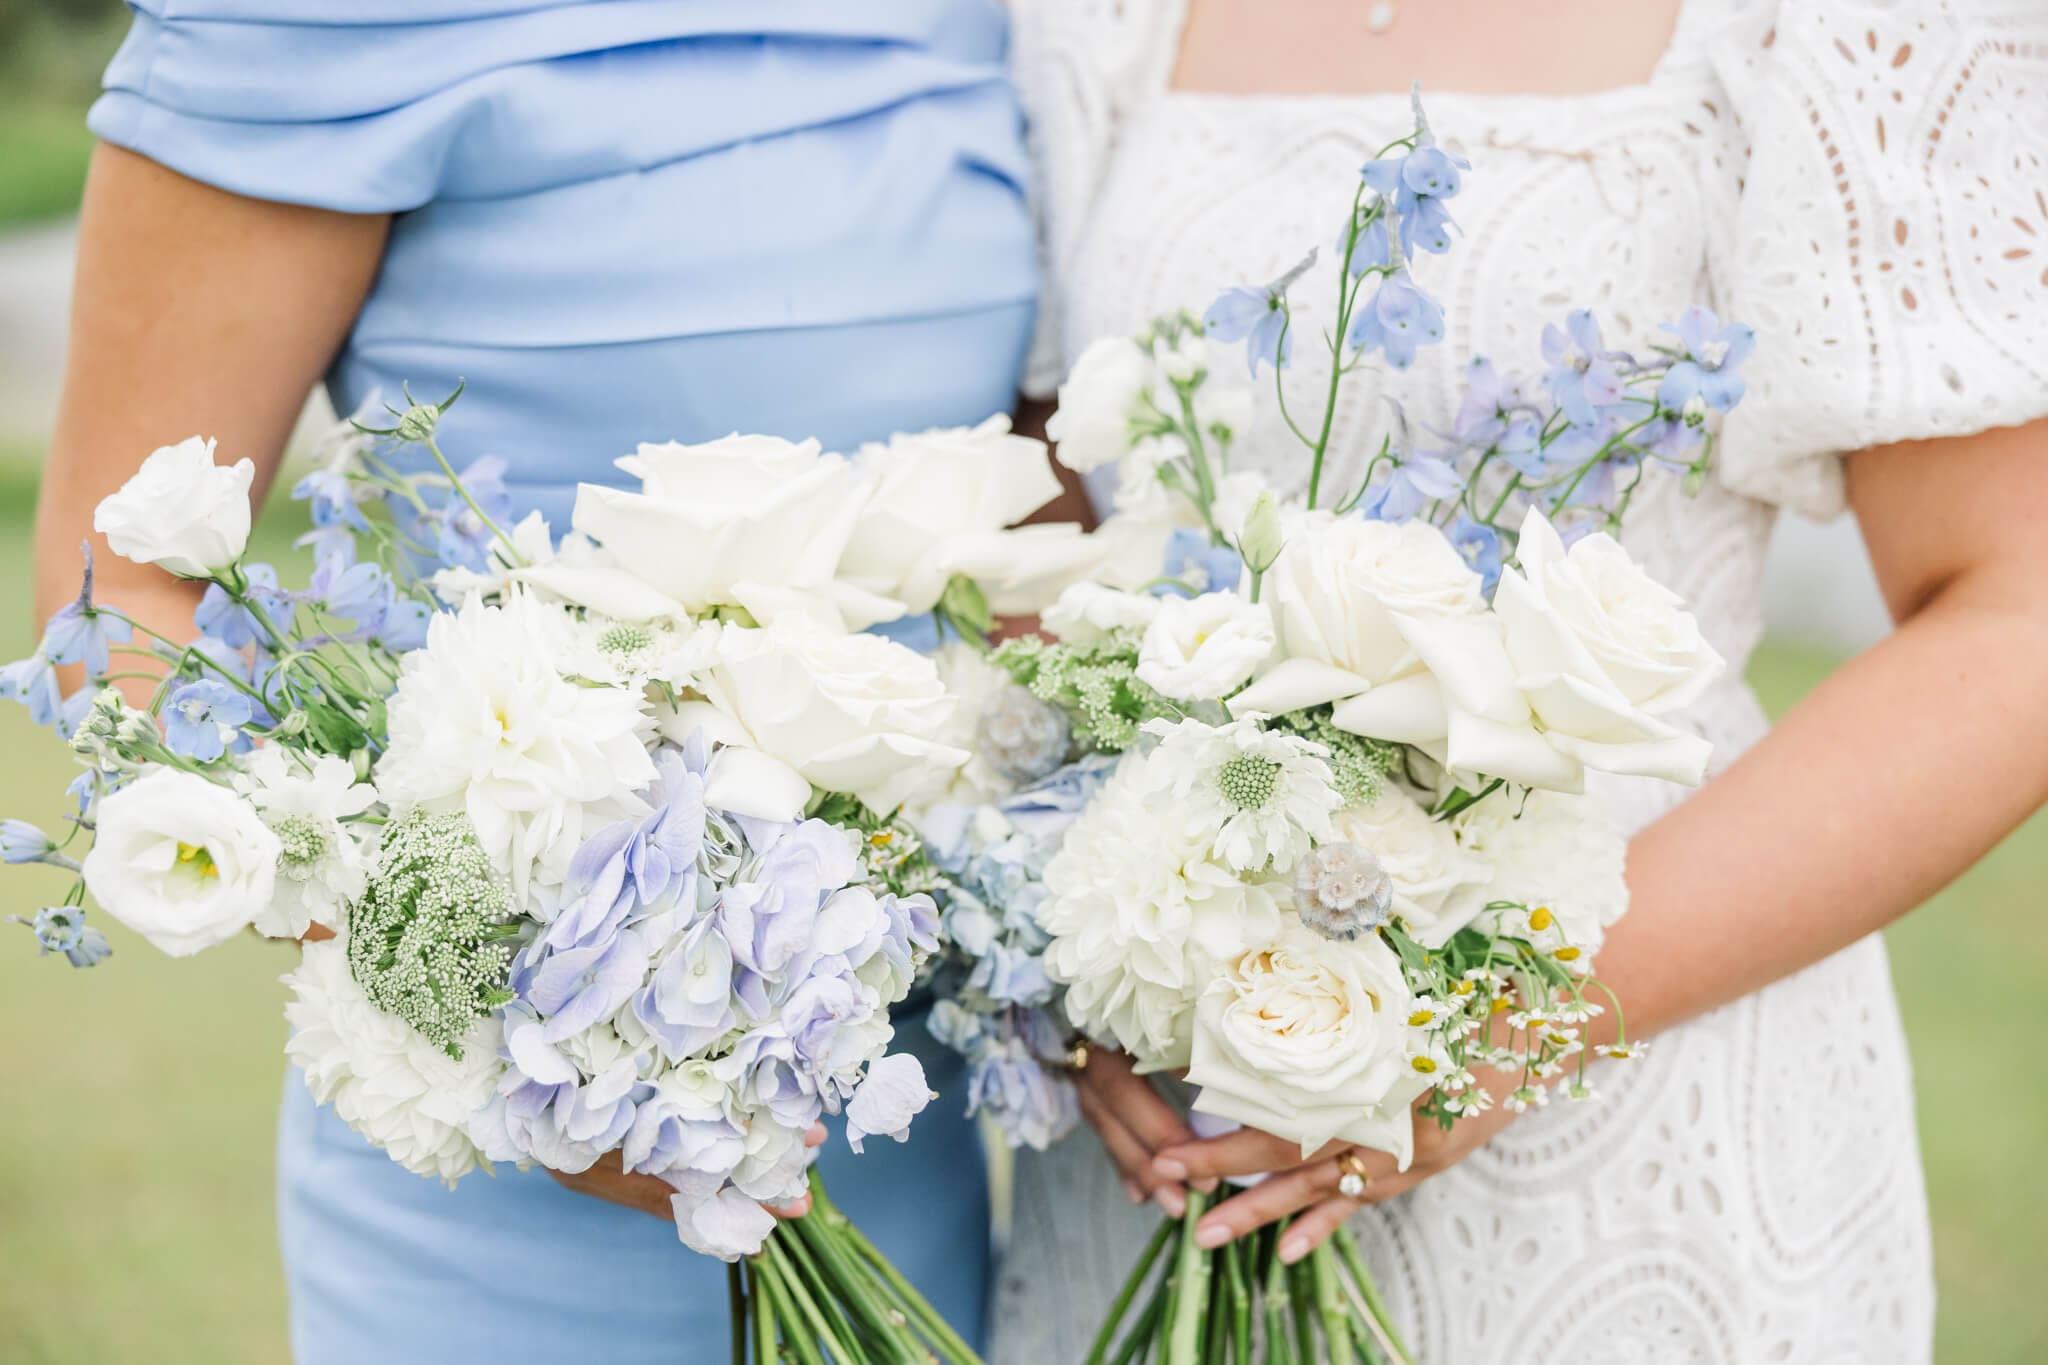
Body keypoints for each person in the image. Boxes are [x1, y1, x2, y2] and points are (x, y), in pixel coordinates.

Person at [996, 0, 2048, 1360]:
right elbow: (1048, 495)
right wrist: (1093, 927)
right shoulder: (1087, 22)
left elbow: (2010, 617)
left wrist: (1508, 1025)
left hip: (1639, 1073)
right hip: (1178, 1115)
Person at [34, 4, 1045, 1360]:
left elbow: (1034, 515)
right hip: (509, 1135)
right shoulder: (297, 26)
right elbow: (118, 594)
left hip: (890, 1087)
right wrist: (523, 1023)